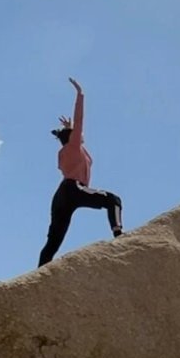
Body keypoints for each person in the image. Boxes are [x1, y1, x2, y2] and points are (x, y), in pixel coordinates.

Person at [38, 77, 124, 267]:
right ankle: (119, 234)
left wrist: (67, 131)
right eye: (77, 133)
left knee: (53, 240)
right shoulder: (74, 146)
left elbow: (73, 137)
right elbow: (80, 119)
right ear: (73, 137)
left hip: (61, 195)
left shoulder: (67, 150)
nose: (81, 133)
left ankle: (40, 271)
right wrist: (80, 94)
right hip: (74, 189)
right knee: (113, 200)